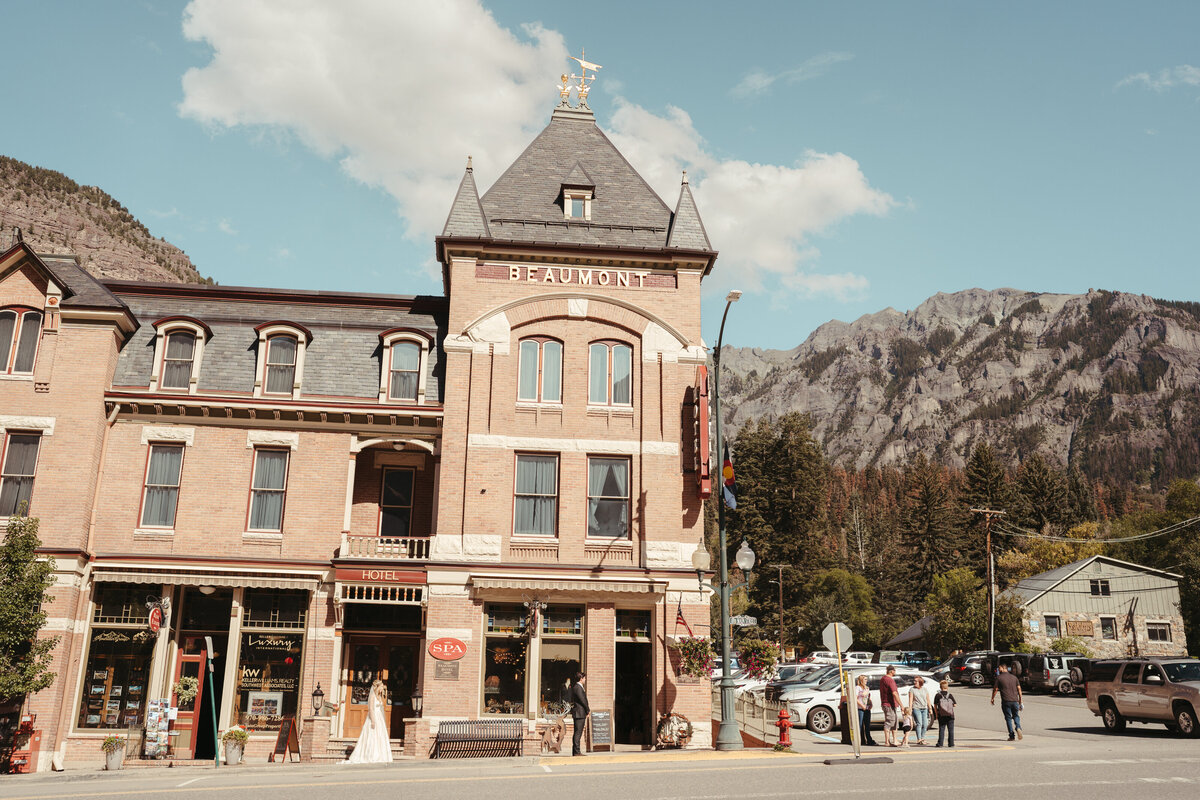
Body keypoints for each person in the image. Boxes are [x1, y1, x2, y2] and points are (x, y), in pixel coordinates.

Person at [344, 678, 392, 763]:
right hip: (373, 717)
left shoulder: (379, 696)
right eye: (381, 687)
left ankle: (380, 755)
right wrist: (373, 720)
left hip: (379, 717)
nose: (382, 689)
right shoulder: (372, 696)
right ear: (377, 687)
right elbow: (371, 709)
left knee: (379, 736)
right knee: (372, 736)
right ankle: (370, 755)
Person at [991, 663, 1024, 741]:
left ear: (1003, 668)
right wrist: (1020, 700)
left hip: (1006, 701)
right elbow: (1019, 689)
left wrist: (992, 698)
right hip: (1015, 700)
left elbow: (995, 689)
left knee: (1008, 718)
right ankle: (1018, 727)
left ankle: (1012, 736)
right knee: (1016, 716)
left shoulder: (999, 678)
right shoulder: (1014, 677)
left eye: (999, 668)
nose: (999, 670)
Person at [879, 666, 902, 747]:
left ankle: (895, 740)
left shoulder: (883, 679)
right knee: (889, 722)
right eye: (894, 670)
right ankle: (887, 742)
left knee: (895, 722)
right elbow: (894, 693)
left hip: (889, 704)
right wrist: (901, 705)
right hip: (889, 704)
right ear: (891, 671)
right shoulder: (889, 680)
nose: (895, 672)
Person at [568, 671, 590, 756]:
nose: (585, 679)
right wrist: (587, 709)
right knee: (578, 732)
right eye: (584, 678)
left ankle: (576, 751)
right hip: (579, 713)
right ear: (581, 679)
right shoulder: (578, 687)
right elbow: (583, 700)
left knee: (578, 732)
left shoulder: (578, 687)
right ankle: (576, 752)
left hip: (579, 712)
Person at [909, 675, 932, 745]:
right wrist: (910, 709)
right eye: (914, 681)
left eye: (916, 681)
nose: (914, 682)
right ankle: (919, 739)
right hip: (916, 708)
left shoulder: (925, 689)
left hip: (924, 708)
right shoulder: (912, 689)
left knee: (925, 724)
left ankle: (922, 738)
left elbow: (928, 699)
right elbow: (910, 700)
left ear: (920, 682)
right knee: (919, 723)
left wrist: (930, 708)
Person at [855, 674, 877, 746]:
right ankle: (860, 740)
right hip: (860, 708)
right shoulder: (858, 688)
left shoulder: (867, 688)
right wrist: (861, 705)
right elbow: (855, 698)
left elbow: (867, 698)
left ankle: (869, 739)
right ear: (861, 680)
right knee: (860, 725)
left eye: (866, 679)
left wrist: (870, 704)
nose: (866, 681)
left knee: (867, 725)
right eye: (865, 679)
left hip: (867, 708)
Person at [934, 679, 956, 748]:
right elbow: (955, 705)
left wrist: (936, 714)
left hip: (941, 715)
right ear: (947, 687)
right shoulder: (950, 695)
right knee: (951, 730)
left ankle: (940, 743)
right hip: (950, 715)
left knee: (942, 729)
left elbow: (935, 705)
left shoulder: (938, 695)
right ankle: (951, 743)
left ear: (940, 687)